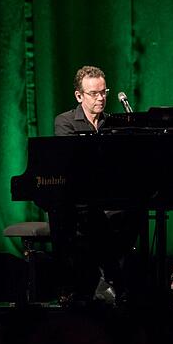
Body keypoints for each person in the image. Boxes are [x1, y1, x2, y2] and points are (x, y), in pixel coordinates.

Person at [51, 65, 142, 305]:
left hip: (108, 196)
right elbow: (71, 162)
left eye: (104, 92)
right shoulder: (65, 122)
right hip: (77, 198)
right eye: (94, 93)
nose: (101, 98)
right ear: (79, 95)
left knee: (136, 210)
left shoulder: (113, 123)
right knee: (93, 217)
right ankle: (113, 279)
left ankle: (110, 280)